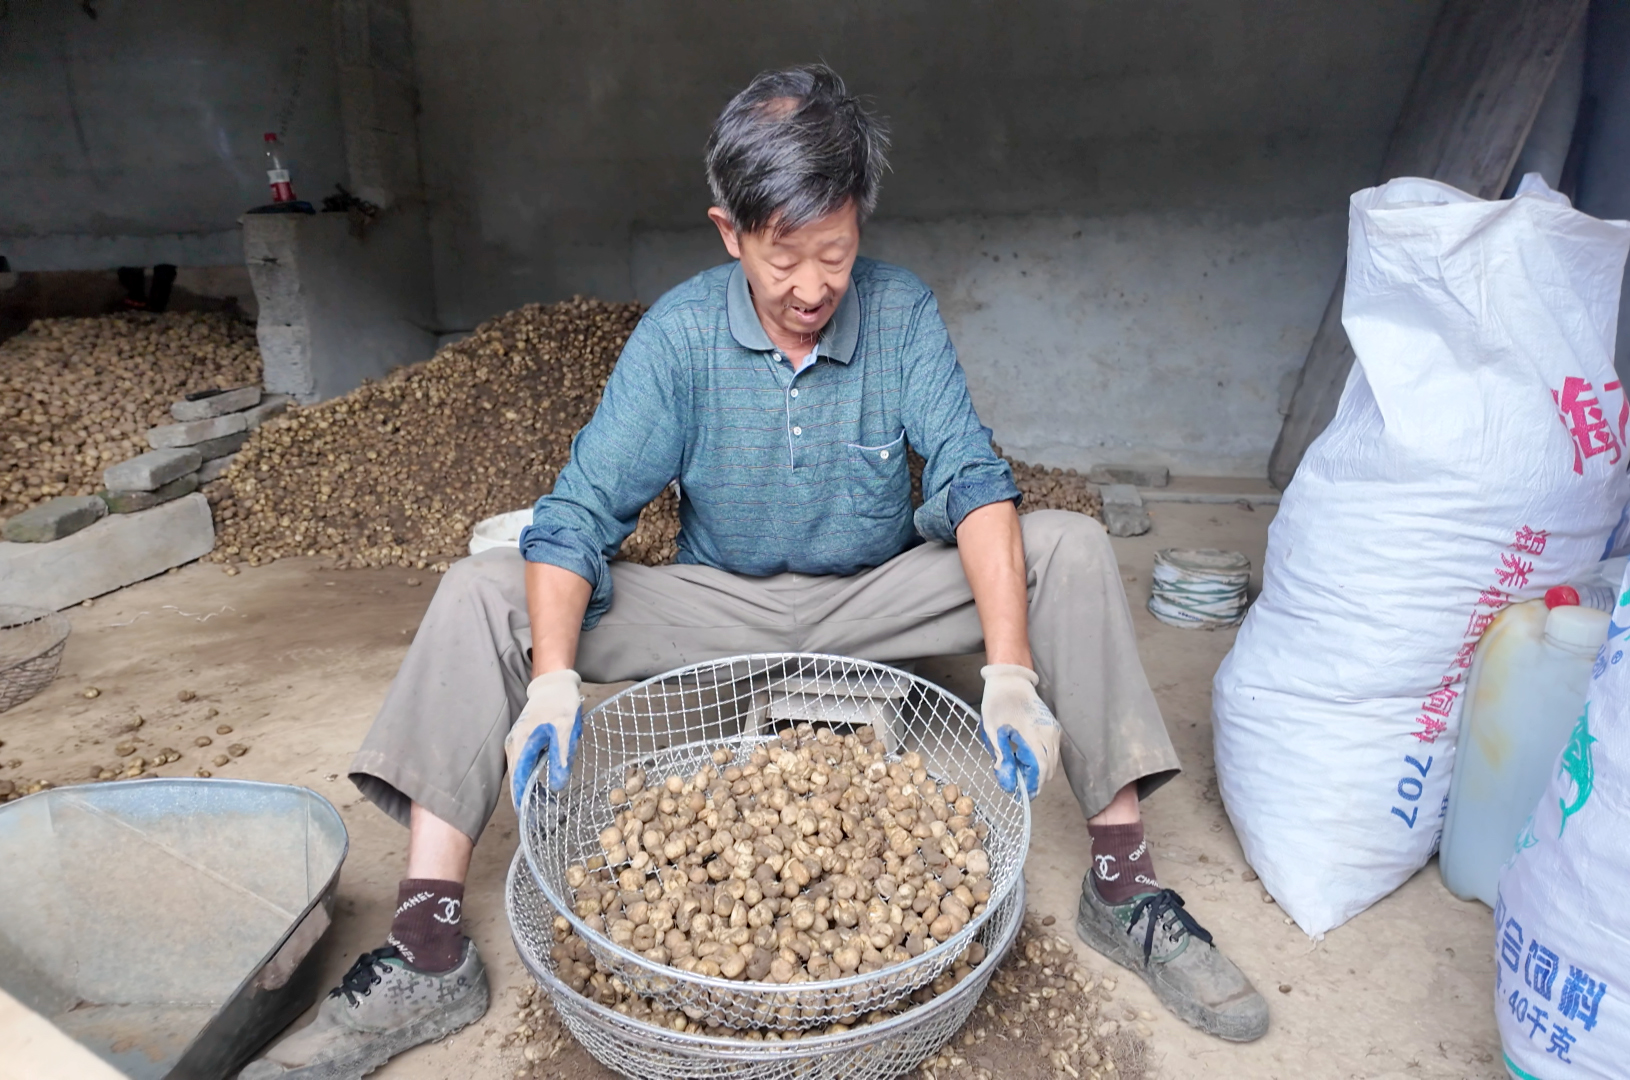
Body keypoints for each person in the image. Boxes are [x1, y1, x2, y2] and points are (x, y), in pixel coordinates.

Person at [242, 64, 1267, 1080]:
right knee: (480, 591)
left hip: (876, 600)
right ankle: (427, 949)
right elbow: (578, 514)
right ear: (728, 232)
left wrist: (1008, 671)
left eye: (836, 253)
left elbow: (971, 477)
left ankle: (1123, 886)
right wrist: (552, 678)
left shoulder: (900, 313)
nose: (813, 288)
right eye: (784, 257)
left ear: (859, 224)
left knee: (1069, 546)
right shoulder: (680, 335)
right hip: (718, 607)